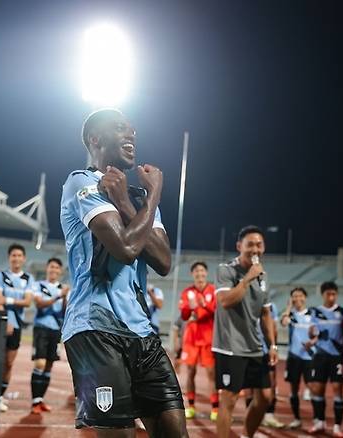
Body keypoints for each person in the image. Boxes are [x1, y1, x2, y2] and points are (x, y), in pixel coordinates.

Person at [60, 108, 187, 437]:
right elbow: (125, 248)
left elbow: (162, 261)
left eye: (133, 130)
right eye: (120, 129)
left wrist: (138, 202)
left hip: (141, 332)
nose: (131, 135)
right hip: (94, 329)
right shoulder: (81, 182)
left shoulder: (139, 200)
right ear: (96, 139)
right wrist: (155, 194)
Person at [213, 225, 277, 438]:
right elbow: (226, 301)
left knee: (265, 397)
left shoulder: (264, 276)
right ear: (239, 246)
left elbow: (266, 314)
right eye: (250, 244)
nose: (255, 249)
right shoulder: (226, 270)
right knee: (229, 399)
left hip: (255, 347)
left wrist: (273, 344)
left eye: (259, 244)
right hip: (230, 347)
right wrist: (248, 278)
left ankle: (246, 435)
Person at [305, 281, 343, 438]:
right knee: (317, 389)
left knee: (337, 389)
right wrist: (311, 335)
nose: (331, 297)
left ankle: (337, 426)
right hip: (320, 356)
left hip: (337, 357)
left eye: (334, 294)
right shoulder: (315, 312)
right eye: (328, 294)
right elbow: (312, 334)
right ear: (323, 294)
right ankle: (319, 422)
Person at [0, 243, 35, 413]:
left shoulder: (28, 279)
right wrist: (5, 320)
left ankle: (0, 396)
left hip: (17, 327)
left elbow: (27, 302)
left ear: (23, 259)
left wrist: (8, 300)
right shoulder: (0, 276)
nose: (16, 258)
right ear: (9, 258)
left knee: (9, 364)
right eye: (13, 255)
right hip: (2, 324)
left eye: (19, 255)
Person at [178, 261, 219, 421]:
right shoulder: (187, 292)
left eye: (202, 271)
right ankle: (191, 406)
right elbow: (184, 316)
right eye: (196, 272)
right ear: (192, 275)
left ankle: (215, 408)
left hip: (208, 338)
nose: (199, 274)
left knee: (211, 374)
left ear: (206, 274)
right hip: (191, 339)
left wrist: (202, 306)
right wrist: (190, 308)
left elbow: (215, 312)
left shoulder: (213, 291)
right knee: (190, 372)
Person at [30, 257, 69, 414]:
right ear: (47, 268)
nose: (54, 270)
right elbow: (39, 304)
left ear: (60, 271)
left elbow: (65, 311)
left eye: (57, 268)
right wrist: (59, 295)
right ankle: (34, 402)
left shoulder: (63, 289)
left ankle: (40, 400)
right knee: (39, 363)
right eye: (51, 267)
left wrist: (65, 296)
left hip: (56, 330)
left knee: (49, 365)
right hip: (41, 328)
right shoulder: (38, 285)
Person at [279, 287, 314, 429]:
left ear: (305, 297)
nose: (297, 298)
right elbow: (283, 322)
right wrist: (288, 307)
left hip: (310, 357)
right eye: (294, 296)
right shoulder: (291, 315)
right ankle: (297, 419)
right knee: (293, 389)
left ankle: (317, 419)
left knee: (313, 387)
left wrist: (312, 342)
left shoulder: (313, 314)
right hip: (294, 357)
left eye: (300, 295)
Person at [258, 301, 284, 428]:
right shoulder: (242, 299)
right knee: (249, 388)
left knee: (271, 384)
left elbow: (274, 327)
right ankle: (253, 417)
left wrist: (273, 347)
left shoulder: (271, 306)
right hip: (248, 350)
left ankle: (269, 415)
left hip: (265, 349)